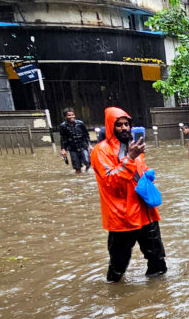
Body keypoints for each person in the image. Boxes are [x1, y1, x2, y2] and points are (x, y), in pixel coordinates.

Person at [91, 107, 167, 282]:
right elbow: (110, 180)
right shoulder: (101, 151)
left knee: (157, 259)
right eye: (119, 125)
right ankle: (116, 294)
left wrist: (148, 174)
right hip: (122, 217)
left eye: (127, 124)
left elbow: (141, 170)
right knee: (118, 264)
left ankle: (157, 298)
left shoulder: (132, 146)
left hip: (145, 212)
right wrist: (130, 159)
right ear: (111, 127)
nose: (124, 128)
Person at [59, 108, 91, 173]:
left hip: (82, 146)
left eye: (72, 115)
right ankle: (79, 177)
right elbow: (63, 139)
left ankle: (86, 172)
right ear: (65, 117)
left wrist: (89, 145)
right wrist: (63, 149)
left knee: (88, 162)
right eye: (69, 115)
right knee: (77, 167)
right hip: (72, 148)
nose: (71, 117)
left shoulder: (80, 123)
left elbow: (86, 135)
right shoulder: (63, 126)